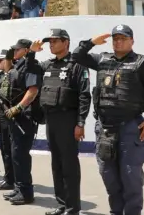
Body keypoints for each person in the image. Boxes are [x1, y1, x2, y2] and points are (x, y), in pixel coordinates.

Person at [73, 24, 144, 215]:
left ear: (132, 41)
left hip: (130, 127)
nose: (118, 42)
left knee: (131, 176)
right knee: (108, 175)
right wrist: (90, 43)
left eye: (123, 38)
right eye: (116, 38)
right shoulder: (102, 59)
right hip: (105, 128)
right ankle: (116, 212)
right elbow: (77, 56)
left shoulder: (142, 62)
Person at [37, 29, 91, 215]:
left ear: (66, 42)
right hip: (51, 119)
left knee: (69, 165)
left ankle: (72, 208)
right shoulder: (47, 65)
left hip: (68, 120)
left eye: (55, 41)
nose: (51, 44)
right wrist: (31, 53)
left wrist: (81, 123)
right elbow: (27, 71)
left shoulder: (77, 65)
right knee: (57, 164)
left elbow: (85, 95)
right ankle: (61, 205)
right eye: (49, 41)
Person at [2, 39, 44, 205]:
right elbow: (7, 70)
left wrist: (18, 108)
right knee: (15, 154)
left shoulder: (32, 66)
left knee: (21, 155)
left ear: (26, 50)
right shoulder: (19, 65)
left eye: (17, 49)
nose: (14, 52)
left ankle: (26, 192)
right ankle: (19, 188)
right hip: (16, 117)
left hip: (25, 117)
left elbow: (32, 91)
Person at [0, 49, 15, 191]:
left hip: (6, 115)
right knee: (3, 147)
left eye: (0, 61)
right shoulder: (1, 75)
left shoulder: (11, 75)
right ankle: (8, 177)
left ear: (7, 61)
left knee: (8, 148)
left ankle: (11, 179)